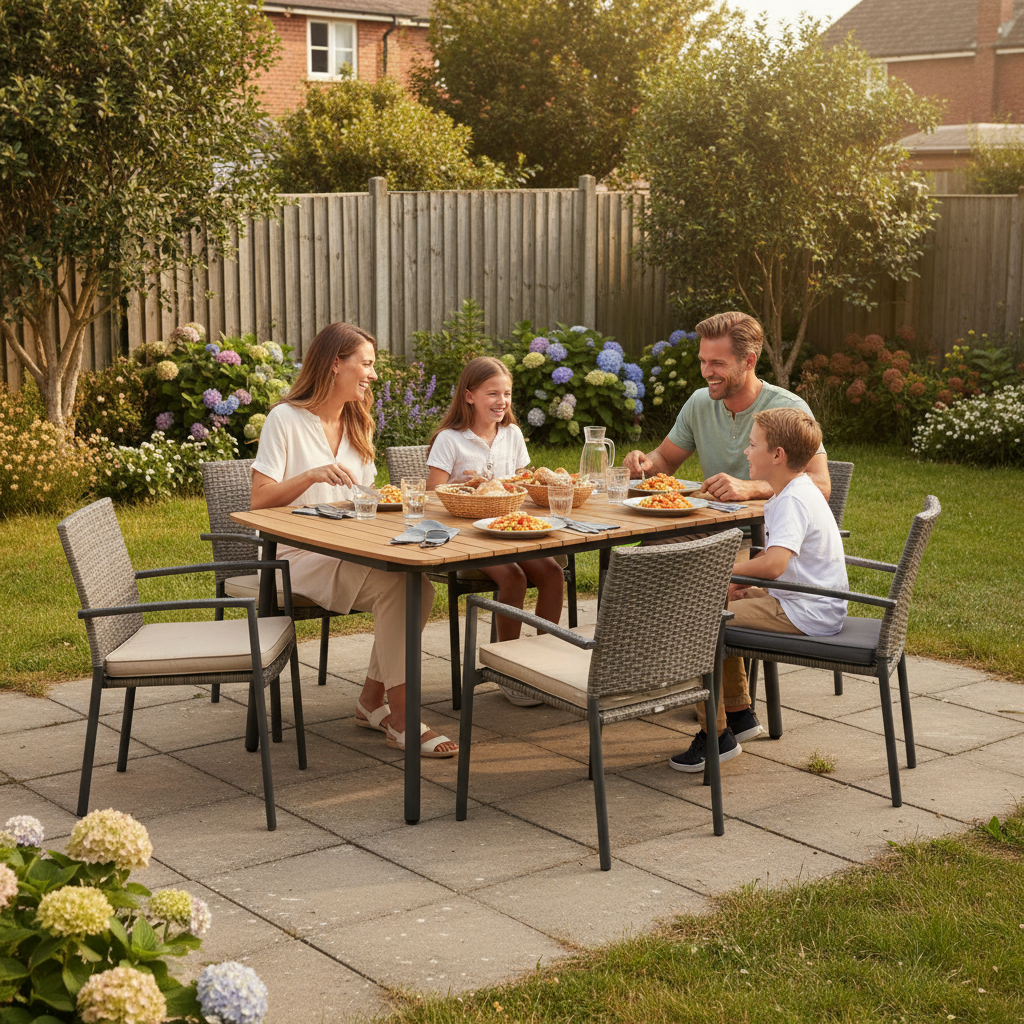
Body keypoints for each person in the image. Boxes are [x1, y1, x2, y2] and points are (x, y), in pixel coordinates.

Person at [623, 311, 831, 756]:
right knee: (645, 558)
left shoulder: (786, 411)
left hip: (757, 540)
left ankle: (712, 714)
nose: (706, 372)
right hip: (704, 531)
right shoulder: (701, 402)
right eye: (703, 361)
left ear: (748, 360)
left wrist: (751, 488)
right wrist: (644, 464)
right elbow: (665, 462)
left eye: (717, 363)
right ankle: (730, 707)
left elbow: (821, 486)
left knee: (695, 592)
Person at [250, 322, 457, 758]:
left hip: (345, 547)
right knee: (402, 587)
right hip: (291, 555)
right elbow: (259, 502)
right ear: (334, 364)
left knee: (419, 584)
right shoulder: (284, 419)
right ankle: (400, 718)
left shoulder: (357, 421)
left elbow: (363, 499)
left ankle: (369, 703)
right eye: (366, 364)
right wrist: (310, 475)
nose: (373, 375)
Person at [669, 407, 848, 772]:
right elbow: (776, 557)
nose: (746, 452)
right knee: (720, 604)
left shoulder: (793, 499)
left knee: (698, 619)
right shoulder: (793, 490)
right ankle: (739, 716)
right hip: (805, 600)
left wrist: (723, 571)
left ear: (777, 455)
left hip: (805, 611)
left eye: (752, 446)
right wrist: (738, 584)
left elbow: (774, 564)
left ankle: (715, 738)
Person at [426, 356, 565, 707]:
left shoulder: (512, 434)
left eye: (506, 394)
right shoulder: (450, 440)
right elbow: (432, 497)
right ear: (469, 395)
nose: (501, 401)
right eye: (492, 393)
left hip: (510, 527)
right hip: (467, 534)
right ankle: (510, 667)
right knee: (514, 578)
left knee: (552, 573)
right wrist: (468, 492)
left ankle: (544, 664)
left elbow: (524, 483)